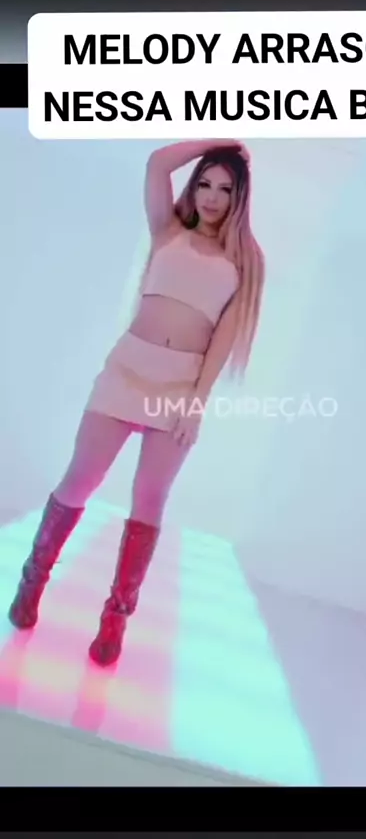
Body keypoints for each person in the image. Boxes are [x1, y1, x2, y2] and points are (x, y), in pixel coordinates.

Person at [8, 139, 265, 666]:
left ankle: (115, 619)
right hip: (126, 371)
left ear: (239, 197)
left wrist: (196, 403)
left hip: (180, 387)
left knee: (150, 498)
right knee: (80, 480)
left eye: (224, 189)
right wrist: (217, 142)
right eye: (204, 183)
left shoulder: (244, 260)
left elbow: (223, 340)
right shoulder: (168, 229)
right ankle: (32, 583)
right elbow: (157, 163)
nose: (211, 197)